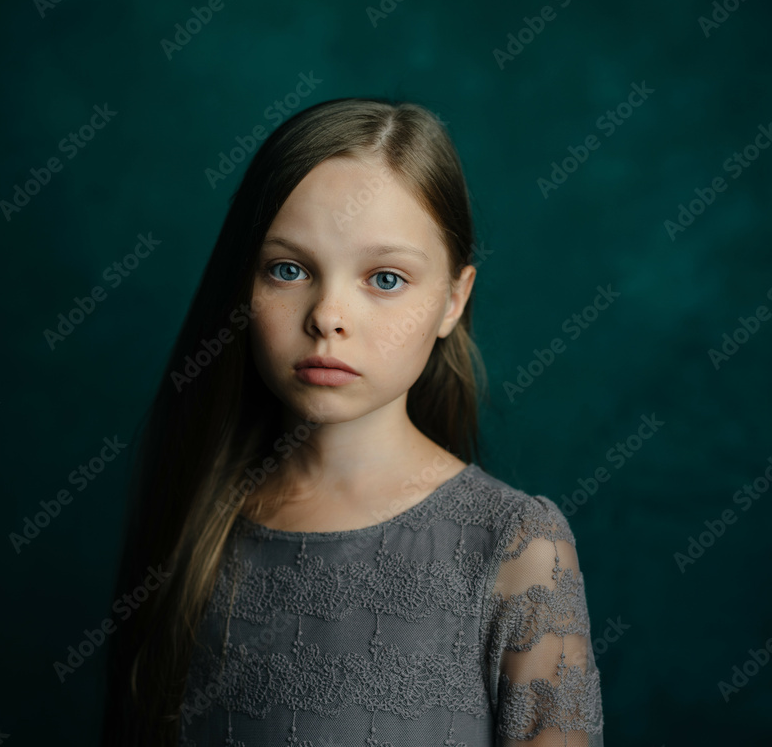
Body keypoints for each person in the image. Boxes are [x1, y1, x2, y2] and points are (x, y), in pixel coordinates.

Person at [100, 97, 604, 746]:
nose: (328, 315)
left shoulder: (517, 546)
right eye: (289, 269)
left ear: (453, 299)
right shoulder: (198, 521)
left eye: (385, 278)